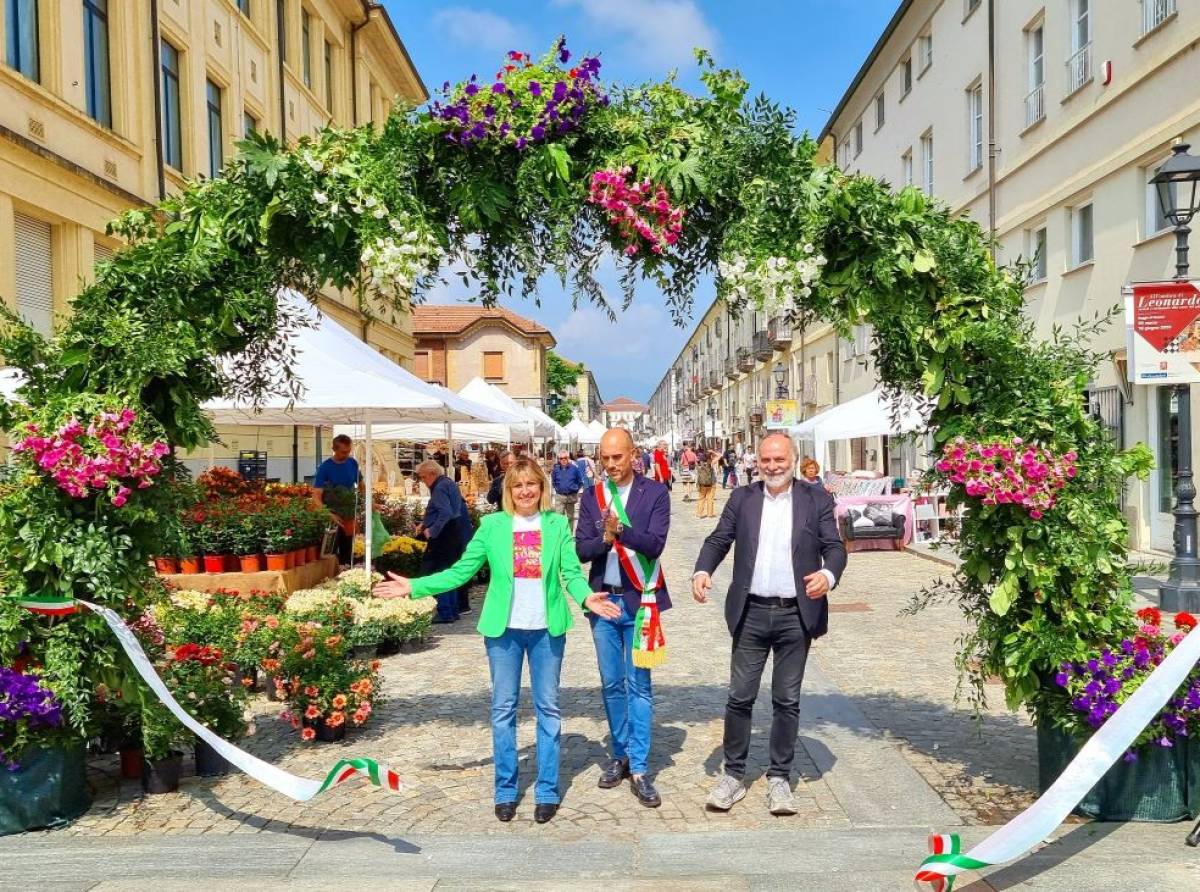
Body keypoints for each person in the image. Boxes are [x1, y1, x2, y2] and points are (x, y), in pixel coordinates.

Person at [373, 458, 621, 824]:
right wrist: (415, 586)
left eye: (531, 484)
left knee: (549, 710)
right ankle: (505, 789)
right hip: (503, 632)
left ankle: (547, 790)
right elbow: (461, 571)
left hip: (546, 631)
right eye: (517, 485)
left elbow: (570, 573)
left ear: (541, 487)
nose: (525, 491)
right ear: (508, 490)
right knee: (503, 710)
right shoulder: (492, 526)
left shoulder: (556, 525)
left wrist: (586, 598)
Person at [691, 433, 847, 815]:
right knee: (739, 696)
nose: (772, 466)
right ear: (757, 462)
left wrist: (828, 576)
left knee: (787, 700)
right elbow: (719, 539)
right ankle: (733, 775)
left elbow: (835, 547)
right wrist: (702, 569)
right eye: (766, 460)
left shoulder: (816, 499)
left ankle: (779, 777)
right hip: (751, 612)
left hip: (796, 614)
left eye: (779, 459)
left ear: (793, 460)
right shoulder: (742, 499)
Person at [575, 428, 671, 808]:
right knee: (612, 684)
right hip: (604, 602)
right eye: (605, 457)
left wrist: (621, 532)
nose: (611, 464)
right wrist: (604, 538)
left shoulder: (656, 493)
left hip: (640, 602)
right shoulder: (591, 496)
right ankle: (621, 754)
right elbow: (582, 550)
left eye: (618, 456)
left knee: (640, 686)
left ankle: (641, 768)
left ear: (633, 454)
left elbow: (655, 544)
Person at [415, 460, 473, 623]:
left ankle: (445, 611)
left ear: (432, 473)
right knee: (449, 572)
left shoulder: (439, 487)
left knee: (439, 572)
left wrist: (431, 530)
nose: (423, 481)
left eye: (423, 477)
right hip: (454, 533)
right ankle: (452, 610)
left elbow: (445, 512)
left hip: (444, 535)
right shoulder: (448, 482)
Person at [312, 434, 360, 565]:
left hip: (349, 517)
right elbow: (316, 496)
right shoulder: (325, 468)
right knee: (329, 555)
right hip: (331, 518)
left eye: (348, 451)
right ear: (334, 449)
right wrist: (328, 514)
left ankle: (346, 572)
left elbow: (361, 485)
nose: (346, 454)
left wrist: (368, 502)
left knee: (348, 553)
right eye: (343, 452)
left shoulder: (352, 463)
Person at [551, 450, 586, 528]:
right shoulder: (556, 469)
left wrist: (575, 489)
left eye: (565, 458)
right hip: (560, 496)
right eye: (561, 458)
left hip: (571, 496)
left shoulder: (574, 469)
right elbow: (553, 481)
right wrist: (557, 489)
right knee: (559, 517)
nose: (563, 460)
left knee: (570, 518)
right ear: (559, 459)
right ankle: (559, 533)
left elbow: (580, 481)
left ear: (568, 458)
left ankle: (569, 533)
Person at [696, 449, 717, 518]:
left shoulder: (700, 464)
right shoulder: (711, 462)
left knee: (701, 498)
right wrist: (713, 452)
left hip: (702, 483)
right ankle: (710, 514)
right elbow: (720, 456)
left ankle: (699, 513)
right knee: (710, 499)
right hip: (711, 483)